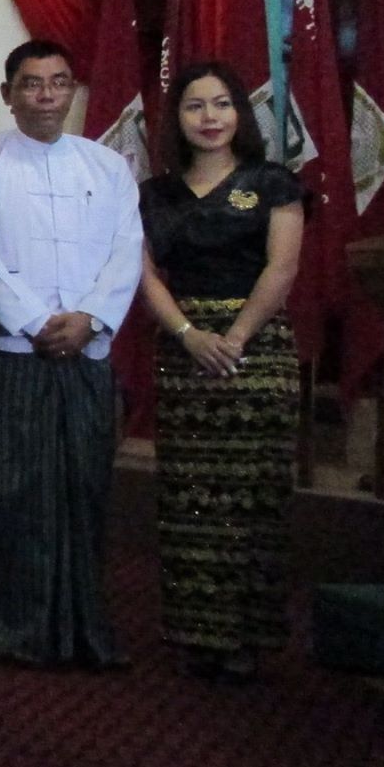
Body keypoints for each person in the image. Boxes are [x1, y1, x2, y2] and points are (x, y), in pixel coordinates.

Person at [0, 39, 143, 669]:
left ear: (72, 91)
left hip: (86, 352)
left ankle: (80, 628)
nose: (46, 96)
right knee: (5, 491)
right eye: (32, 84)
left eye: (59, 82)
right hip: (8, 352)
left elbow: (127, 250)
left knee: (83, 488)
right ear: (7, 93)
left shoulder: (107, 166)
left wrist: (90, 318)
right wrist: (36, 320)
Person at [137, 60, 303, 682]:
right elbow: (144, 274)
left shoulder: (273, 183)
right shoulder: (154, 194)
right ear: (177, 119)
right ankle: (196, 632)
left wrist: (233, 337)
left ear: (240, 113)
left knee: (252, 497)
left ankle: (246, 637)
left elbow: (281, 268)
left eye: (222, 104)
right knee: (190, 498)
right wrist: (188, 334)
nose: (209, 118)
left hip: (256, 351)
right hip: (184, 351)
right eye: (195, 106)